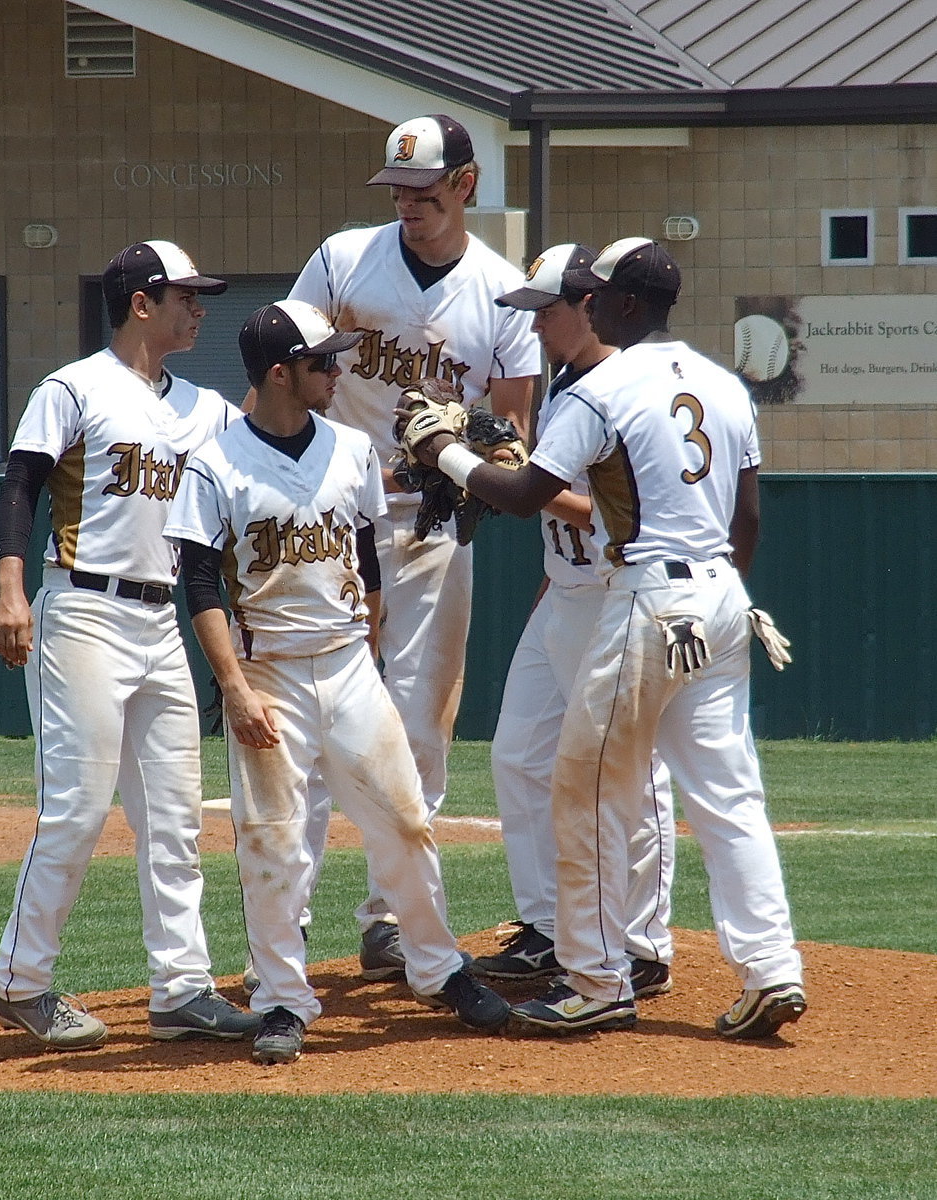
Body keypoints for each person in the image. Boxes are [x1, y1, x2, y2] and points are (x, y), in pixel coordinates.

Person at [399, 237, 806, 1040]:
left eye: (590, 296)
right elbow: (748, 516)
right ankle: (771, 970)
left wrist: (440, 451)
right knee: (729, 799)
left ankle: (594, 978)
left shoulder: (603, 386)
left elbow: (522, 496)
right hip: (723, 596)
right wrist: (722, 589)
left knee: (584, 791)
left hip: (645, 599)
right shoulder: (725, 383)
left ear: (614, 304)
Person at [164, 300, 511, 1065]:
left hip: (350, 664)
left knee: (405, 821)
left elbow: (367, 557)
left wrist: (373, 650)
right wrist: (234, 687)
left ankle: (438, 967)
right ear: (280, 373)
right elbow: (198, 584)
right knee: (273, 844)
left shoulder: (351, 450)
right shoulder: (216, 465)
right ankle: (283, 999)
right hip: (269, 673)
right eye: (323, 361)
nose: (338, 370)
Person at [0, 239, 259, 1049]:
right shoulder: (73, 387)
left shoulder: (204, 408)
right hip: (83, 610)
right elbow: (20, 485)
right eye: (185, 295)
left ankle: (181, 989)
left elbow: (268, 455)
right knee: (74, 810)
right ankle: (20, 981)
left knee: (174, 819)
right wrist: (9, 589)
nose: (199, 307)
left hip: (159, 618)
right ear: (141, 302)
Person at [285, 114, 542, 978]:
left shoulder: (502, 292)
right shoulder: (343, 258)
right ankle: (285, 921)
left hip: (432, 518)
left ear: (466, 185)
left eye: (424, 193)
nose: (407, 207)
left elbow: (512, 432)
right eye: (396, 192)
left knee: (420, 720)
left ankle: (390, 920)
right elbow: (285, 367)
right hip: (328, 517)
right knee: (313, 714)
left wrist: (467, 455)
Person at [468, 245, 676, 997]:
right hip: (562, 592)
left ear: (589, 304)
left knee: (630, 773)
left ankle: (642, 943)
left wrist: (513, 477)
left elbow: (607, 514)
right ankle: (551, 928)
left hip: (618, 595)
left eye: (545, 311)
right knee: (518, 757)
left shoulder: (620, 389)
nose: (535, 327)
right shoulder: (564, 384)